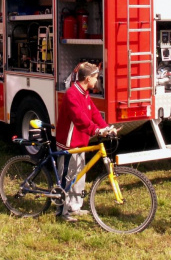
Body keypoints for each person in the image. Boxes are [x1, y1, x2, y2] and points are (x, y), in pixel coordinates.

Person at [55, 62, 116, 222]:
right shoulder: (72, 94)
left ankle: (75, 207)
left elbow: (93, 113)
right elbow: (80, 119)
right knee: (67, 176)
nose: (97, 81)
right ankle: (62, 211)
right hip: (69, 143)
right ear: (88, 78)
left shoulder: (84, 93)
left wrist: (106, 127)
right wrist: (96, 130)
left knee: (79, 175)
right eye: (96, 78)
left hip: (80, 141)